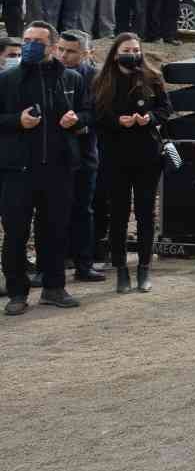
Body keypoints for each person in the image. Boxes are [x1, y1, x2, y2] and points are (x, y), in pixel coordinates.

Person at [1, 21, 90, 315]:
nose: (29, 45)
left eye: (37, 41)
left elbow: (90, 112)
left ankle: (54, 287)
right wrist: (18, 121)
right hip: (18, 171)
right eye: (27, 39)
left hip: (58, 169)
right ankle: (17, 291)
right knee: (15, 233)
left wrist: (76, 120)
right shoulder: (7, 79)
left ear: (52, 47)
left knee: (54, 231)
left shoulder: (72, 79)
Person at [91, 33, 172, 294]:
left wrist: (148, 118)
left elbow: (165, 109)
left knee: (146, 214)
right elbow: (95, 116)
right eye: (127, 49)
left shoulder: (152, 77)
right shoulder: (103, 80)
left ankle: (144, 268)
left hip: (147, 154)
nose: (133, 53)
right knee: (118, 215)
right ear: (116, 53)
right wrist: (117, 122)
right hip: (115, 156)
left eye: (136, 49)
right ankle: (121, 271)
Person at [55, 30, 103, 284]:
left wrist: (78, 122)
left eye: (71, 51)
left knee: (83, 210)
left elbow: (98, 113)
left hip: (84, 154)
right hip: (53, 156)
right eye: (61, 49)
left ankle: (84, 264)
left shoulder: (95, 79)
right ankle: (54, 264)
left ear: (85, 54)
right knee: (53, 212)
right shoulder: (49, 73)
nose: (64, 55)